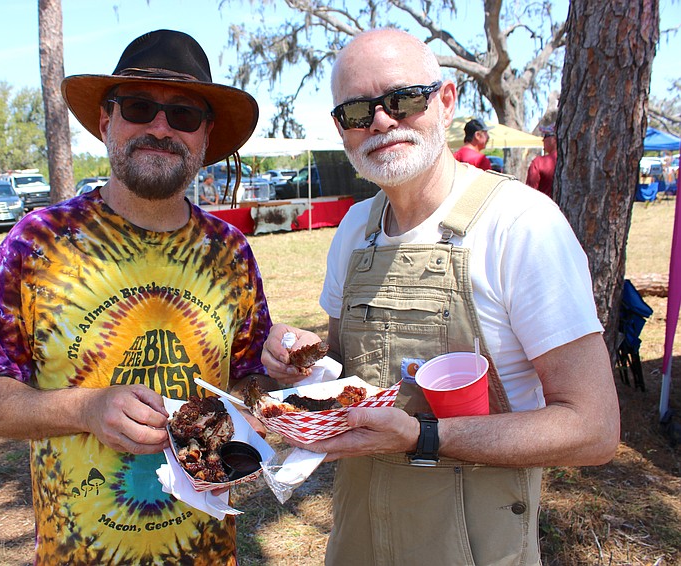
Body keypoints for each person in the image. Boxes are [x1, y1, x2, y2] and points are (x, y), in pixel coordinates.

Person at [261, 28, 619, 565]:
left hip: (474, 547)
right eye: (358, 112)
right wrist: (301, 364)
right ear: (342, 130)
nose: (382, 121)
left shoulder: (520, 224)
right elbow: (344, 371)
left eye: (403, 100)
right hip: (358, 538)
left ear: (446, 101)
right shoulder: (355, 230)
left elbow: (592, 429)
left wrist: (420, 435)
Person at [0, 29, 273, 565]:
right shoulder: (40, 242)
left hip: (208, 554)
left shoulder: (230, 252)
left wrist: (268, 396)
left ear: (205, 136)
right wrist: (86, 407)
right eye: (140, 107)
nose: (160, 128)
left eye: (184, 115)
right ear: (106, 121)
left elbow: (248, 381)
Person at [526, 124, 558, 197]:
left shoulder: (539, 163)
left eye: (546, 136)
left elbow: (530, 192)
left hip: (544, 207)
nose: (543, 140)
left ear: (555, 139)